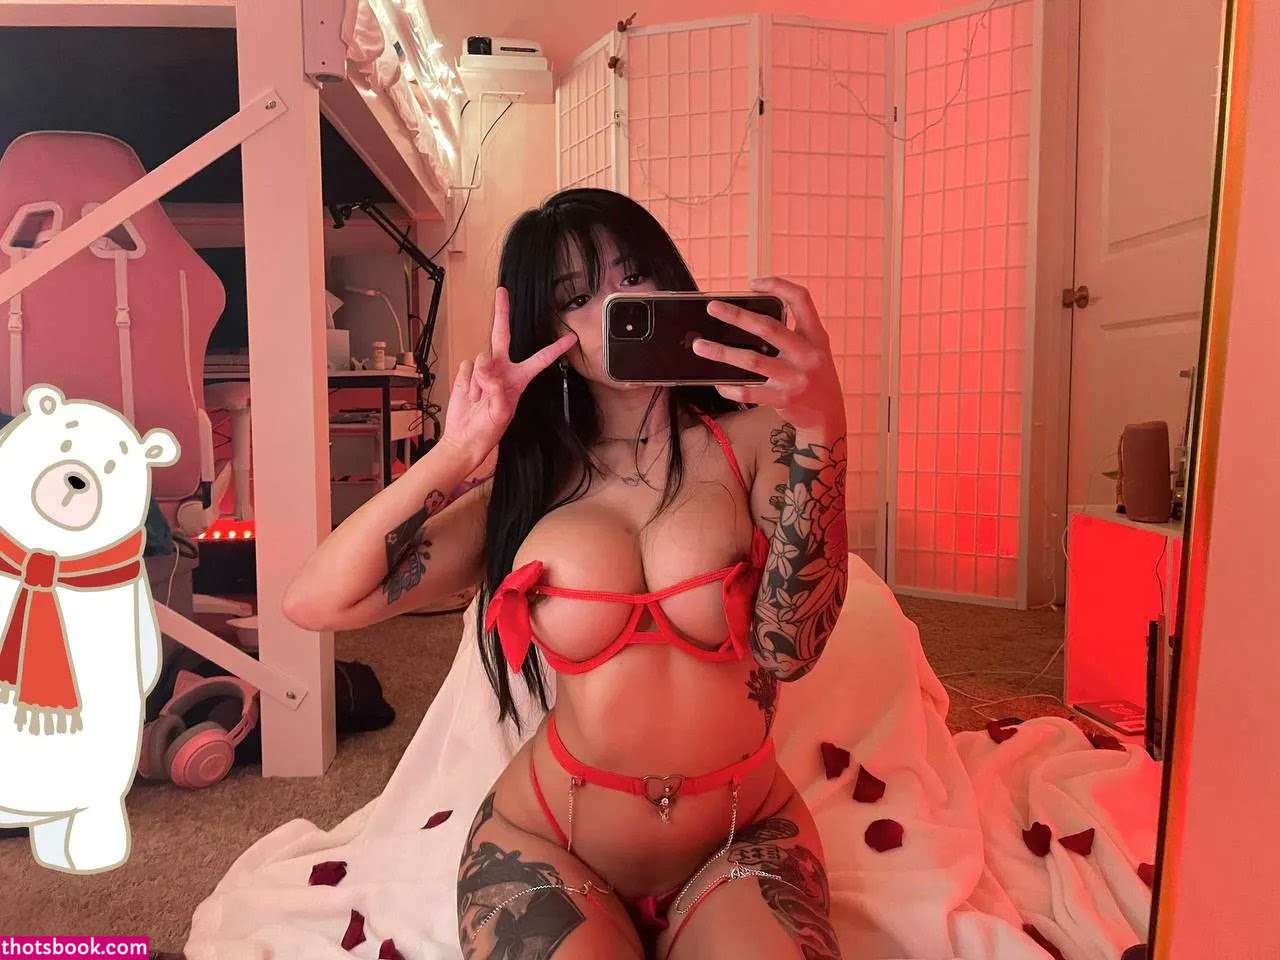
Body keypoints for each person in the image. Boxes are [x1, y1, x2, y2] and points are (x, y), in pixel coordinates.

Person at [283, 188, 850, 959]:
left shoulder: (758, 439)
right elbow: (318, 601)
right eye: (576, 297)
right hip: (548, 845)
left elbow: (792, 648)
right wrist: (459, 450)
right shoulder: (527, 490)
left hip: (741, 839)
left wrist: (823, 425)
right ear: (546, 332)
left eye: (635, 274)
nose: (617, 304)